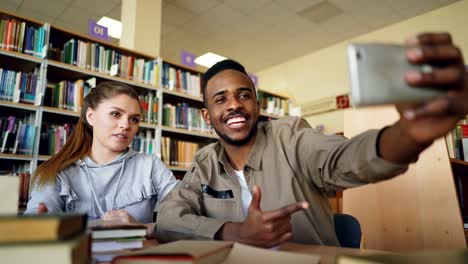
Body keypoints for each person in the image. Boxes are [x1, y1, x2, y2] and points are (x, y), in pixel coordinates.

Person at [155, 32, 468, 247]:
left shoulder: (290, 135)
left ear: (257, 105)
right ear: (207, 116)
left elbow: (343, 158)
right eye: (220, 99)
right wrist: (234, 232)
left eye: (243, 95)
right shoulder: (205, 162)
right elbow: (169, 217)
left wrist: (408, 134)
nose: (234, 104)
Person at [25, 82, 178, 236]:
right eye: (115, 114)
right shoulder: (57, 171)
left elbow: (185, 218)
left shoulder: (150, 165)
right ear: (91, 116)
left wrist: (143, 228)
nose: (125, 125)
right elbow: (33, 226)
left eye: (134, 119)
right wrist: (40, 225)